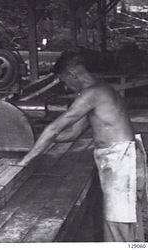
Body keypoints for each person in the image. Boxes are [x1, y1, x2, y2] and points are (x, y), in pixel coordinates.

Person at [18, 51, 147, 242]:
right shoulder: (100, 91)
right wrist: (36, 138)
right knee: (125, 225)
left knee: (119, 226)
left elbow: (55, 128)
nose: (66, 86)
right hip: (120, 161)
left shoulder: (93, 93)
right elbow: (72, 133)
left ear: (72, 74)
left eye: (64, 81)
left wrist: (25, 160)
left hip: (121, 163)